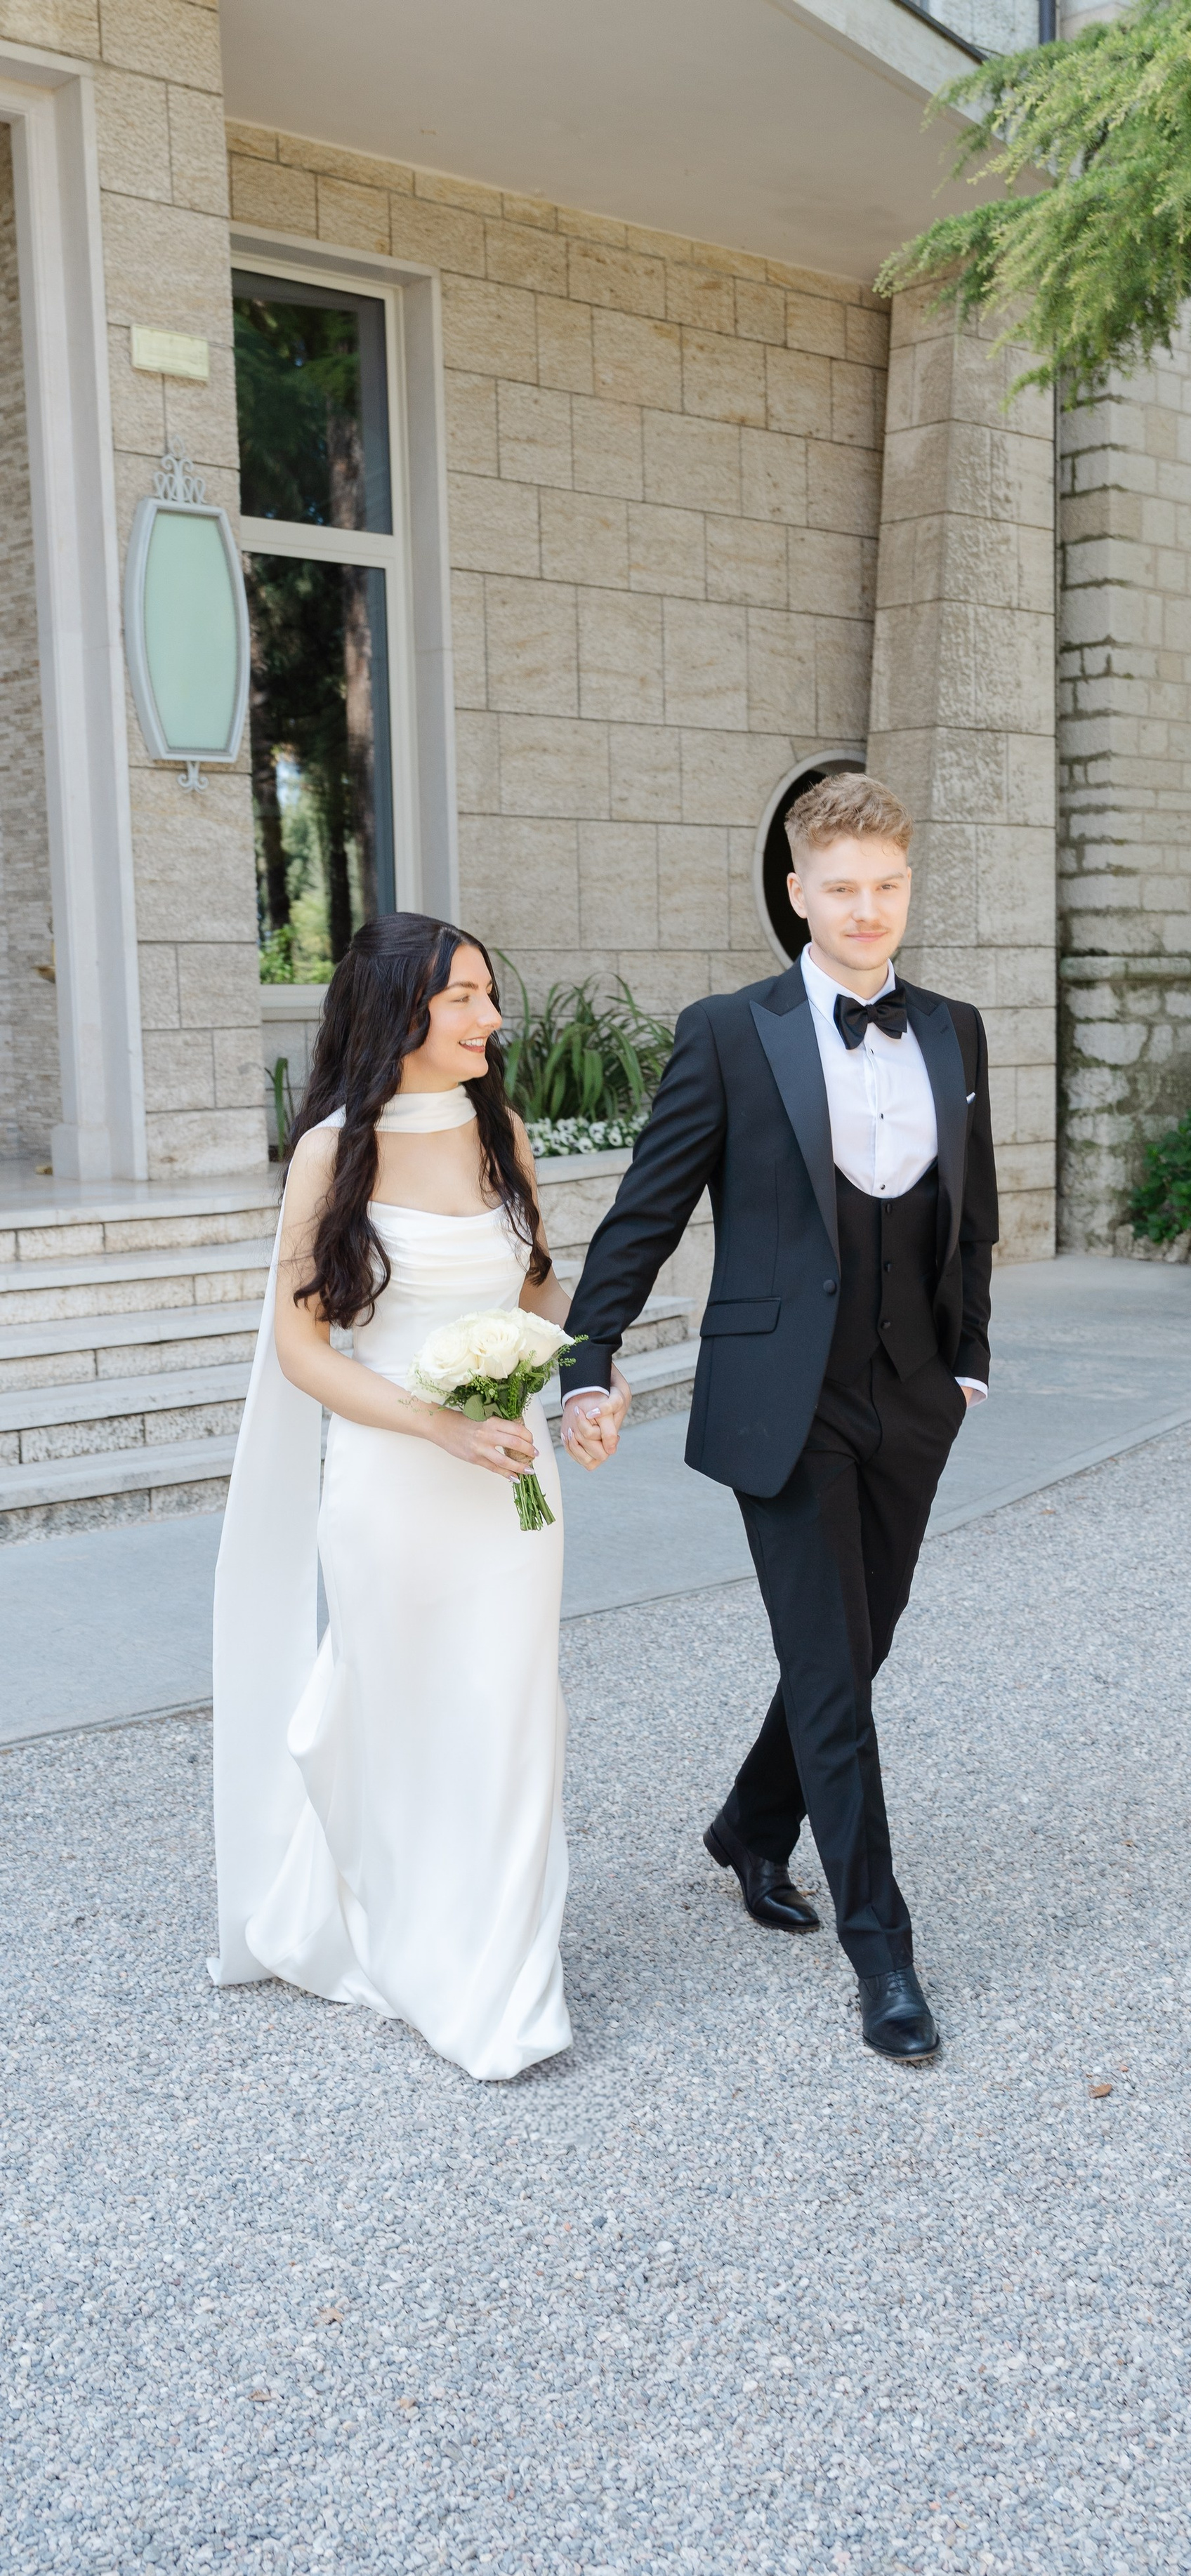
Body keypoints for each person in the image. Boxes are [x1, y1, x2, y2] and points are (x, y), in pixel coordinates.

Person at [560, 774, 996, 2063]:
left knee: (859, 1644)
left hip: (914, 1393)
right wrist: (589, 1356)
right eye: (843, 889)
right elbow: (648, 1207)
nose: (869, 912)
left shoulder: (958, 1029)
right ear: (798, 894)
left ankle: (753, 1823)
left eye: (889, 887)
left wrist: (968, 1359)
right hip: (784, 1399)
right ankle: (885, 1950)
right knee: (830, 1669)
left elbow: (970, 1212)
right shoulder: (728, 1032)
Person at [209, 913, 623, 2082]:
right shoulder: (332, 1153)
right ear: (402, 1011)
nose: (492, 1018)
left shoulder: (506, 1133)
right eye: (465, 999)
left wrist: (585, 1381)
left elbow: (541, 1292)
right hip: (393, 1481)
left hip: (511, 1481)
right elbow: (305, 1352)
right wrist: (435, 1423)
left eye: (489, 994)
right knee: (402, 1715)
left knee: (510, 1709)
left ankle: (499, 1981)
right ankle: (397, 1931)